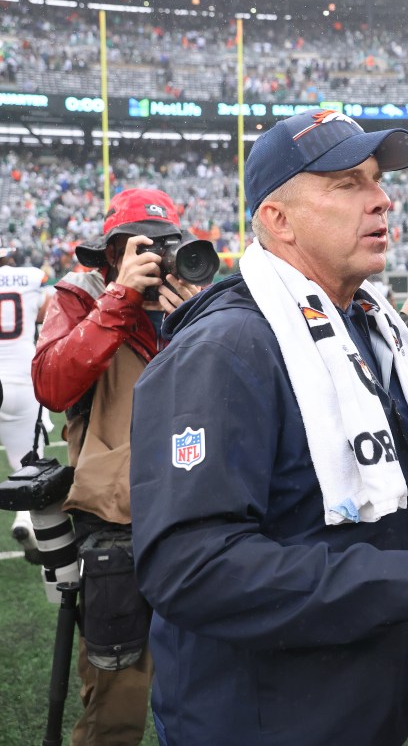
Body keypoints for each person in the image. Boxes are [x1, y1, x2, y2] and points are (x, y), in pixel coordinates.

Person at [129, 108, 408, 746]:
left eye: (377, 180)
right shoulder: (226, 350)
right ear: (278, 219)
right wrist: (402, 581)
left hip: (360, 708)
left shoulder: (371, 327)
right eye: (349, 184)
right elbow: (190, 567)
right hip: (266, 722)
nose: (383, 200)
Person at [31, 188, 203, 746]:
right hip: (116, 519)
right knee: (117, 703)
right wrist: (120, 299)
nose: (152, 257)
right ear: (109, 254)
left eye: (163, 246)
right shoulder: (80, 297)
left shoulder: (194, 296)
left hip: (200, 512)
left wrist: (197, 321)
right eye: (136, 247)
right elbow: (53, 386)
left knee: (211, 693)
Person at [0, 247, 51, 559]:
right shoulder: (31, 278)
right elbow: (45, 312)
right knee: (28, 464)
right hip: (20, 379)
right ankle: (26, 522)